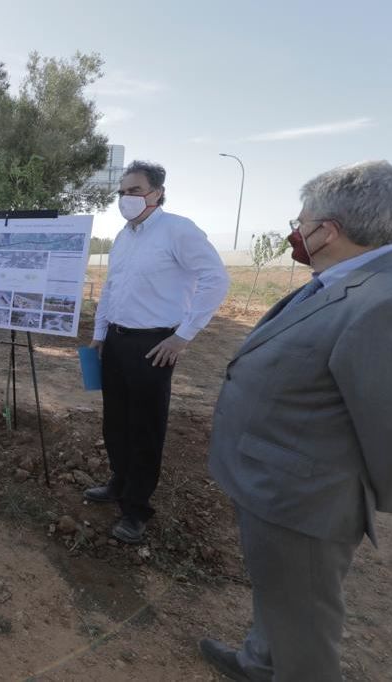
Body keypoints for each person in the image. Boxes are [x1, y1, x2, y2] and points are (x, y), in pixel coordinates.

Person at [199, 161, 392, 682]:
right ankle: (259, 662)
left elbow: (387, 424)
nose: (294, 231)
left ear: (326, 230)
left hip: (304, 504)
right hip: (276, 488)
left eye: (299, 221)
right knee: (278, 598)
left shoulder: (382, 300)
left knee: (304, 628)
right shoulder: (343, 280)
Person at [87, 160, 229, 544]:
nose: (126, 198)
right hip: (116, 341)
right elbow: (112, 288)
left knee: (145, 426)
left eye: (134, 190)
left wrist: (183, 336)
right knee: (115, 419)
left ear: (157, 192)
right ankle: (118, 482)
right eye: (122, 192)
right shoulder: (123, 236)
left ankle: (136, 509)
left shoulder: (178, 231)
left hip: (154, 345)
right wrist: (100, 334)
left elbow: (217, 279)